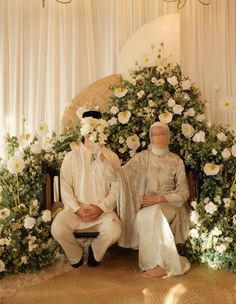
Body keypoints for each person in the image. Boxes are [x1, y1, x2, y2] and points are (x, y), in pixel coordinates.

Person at [117, 121, 190, 278]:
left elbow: (184, 193)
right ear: (150, 137)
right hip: (147, 206)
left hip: (170, 204)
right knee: (146, 215)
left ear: (168, 136)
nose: (159, 137)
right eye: (155, 134)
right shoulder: (142, 158)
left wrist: (160, 198)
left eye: (162, 133)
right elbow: (122, 175)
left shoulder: (176, 160)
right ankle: (153, 263)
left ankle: (162, 265)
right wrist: (103, 161)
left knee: (155, 212)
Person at [51, 110, 122, 268]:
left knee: (115, 230)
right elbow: (65, 187)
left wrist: (101, 207)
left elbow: (117, 188)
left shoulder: (111, 157)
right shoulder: (71, 156)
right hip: (75, 211)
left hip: (103, 212)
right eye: (89, 129)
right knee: (57, 228)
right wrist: (77, 209)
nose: (92, 133)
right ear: (83, 130)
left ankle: (95, 252)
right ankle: (75, 255)